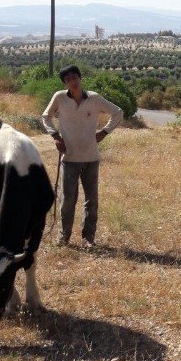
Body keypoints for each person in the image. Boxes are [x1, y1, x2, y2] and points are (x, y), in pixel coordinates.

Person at [42, 65, 123, 247]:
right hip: (69, 158)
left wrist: (104, 132)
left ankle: (88, 238)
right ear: (65, 83)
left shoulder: (93, 98)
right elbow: (45, 116)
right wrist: (55, 136)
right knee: (67, 200)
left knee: (91, 200)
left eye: (74, 77)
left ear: (80, 77)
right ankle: (64, 237)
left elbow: (118, 113)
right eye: (68, 79)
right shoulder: (60, 97)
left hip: (91, 157)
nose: (73, 81)